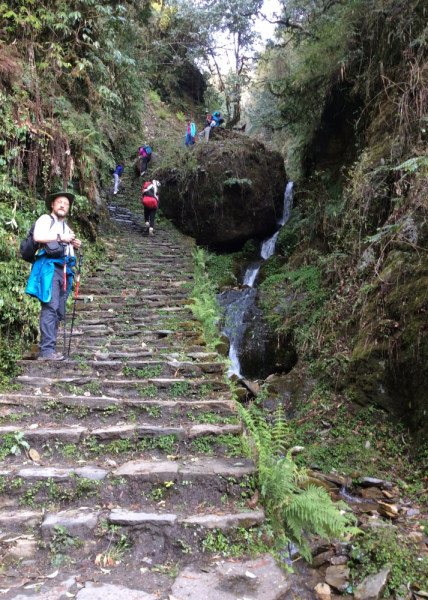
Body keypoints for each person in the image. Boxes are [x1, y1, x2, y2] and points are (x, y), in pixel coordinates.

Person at [26, 192, 81, 361]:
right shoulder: (45, 219)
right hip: (49, 268)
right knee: (50, 306)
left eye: (66, 203)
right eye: (59, 202)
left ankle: (50, 348)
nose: (63, 205)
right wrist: (60, 237)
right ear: (52, 205)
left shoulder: (66, 227)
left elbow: (64, 244)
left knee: (59, 309)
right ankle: (46, 351)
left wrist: (74, 244)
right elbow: (38, 236)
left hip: (64, 269)